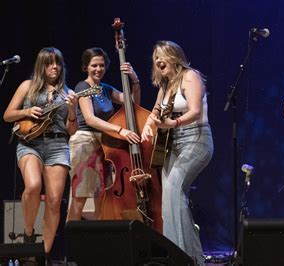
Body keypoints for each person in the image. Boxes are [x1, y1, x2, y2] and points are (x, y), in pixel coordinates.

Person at [141, 40, 213, 264]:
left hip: (196, 139)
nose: (158, 61)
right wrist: (148, 124)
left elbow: (195, 110)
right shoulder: (166, 85)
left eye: (162, 55)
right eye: (155, 58)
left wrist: (174, 123)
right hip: (172, 143)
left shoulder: (190, 76)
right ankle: (183, 256)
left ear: (174, 57)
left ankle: (185, 256)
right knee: (168, 199)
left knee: (174, 190)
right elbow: (155, 111)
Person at [3, 47, 78, 257]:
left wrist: (72, 110)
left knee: (54, 201)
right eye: (49, 63)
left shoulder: (68, 93)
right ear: (41, 66)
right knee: (33, 186)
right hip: (30, 143)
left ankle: (43, 253)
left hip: (58, 146)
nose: (54, 66)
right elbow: (8, 115)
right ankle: (28, 232)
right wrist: (27, 111)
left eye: (58, 63)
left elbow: (71, 130)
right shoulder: (28, 86)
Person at [66, 47, 141, 222]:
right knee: (80, 197)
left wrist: (134, 79)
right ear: (86, 67)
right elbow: (90, 119)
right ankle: (70, 242)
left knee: (103, 198)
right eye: (94, 65)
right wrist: (120, 130)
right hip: (85, 141)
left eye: (101, 65)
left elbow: (132, 103)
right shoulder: (82, 87)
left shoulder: (105, 88)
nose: (98, 69)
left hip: (105, 144)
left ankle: (100, 242)